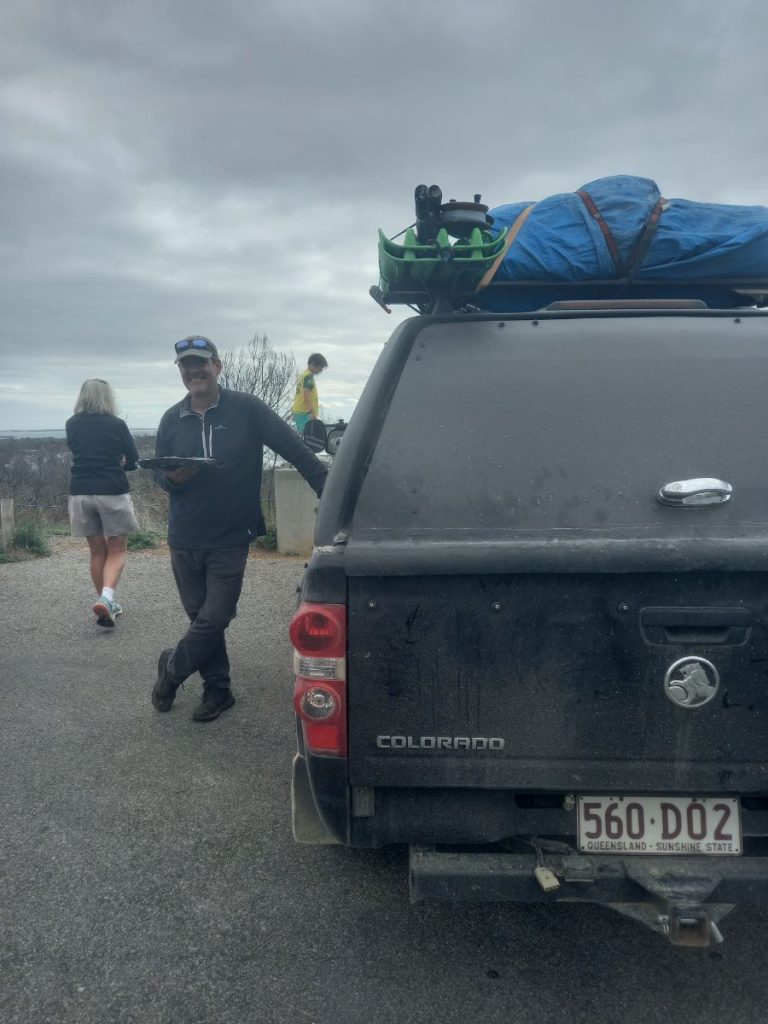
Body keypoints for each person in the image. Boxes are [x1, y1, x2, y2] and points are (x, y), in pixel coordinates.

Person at [151, 336, 328, 723]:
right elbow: (159, 478)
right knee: (200, 616)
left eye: (201, 362)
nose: (193, 370)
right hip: (184, 536)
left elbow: (296, 449)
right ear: (180, 372)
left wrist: (332, 495)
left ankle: (172, 671)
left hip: (230, 535)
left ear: (217, 366)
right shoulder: (170, 419)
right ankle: (218, 690)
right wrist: (174, 480)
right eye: (186, 365)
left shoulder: (246, 409)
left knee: (216, 616)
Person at [65, 378, 139, 627]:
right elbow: (133, 458)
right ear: (108, 397)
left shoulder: (71, 424)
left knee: (97, 550)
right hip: (111, 489)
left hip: (80, 492)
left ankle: (106, 603)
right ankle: (106, 599)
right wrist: (124, 465)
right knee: (117, 548)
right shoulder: (116, 424)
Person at [291, 353, 328, 434]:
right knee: (307, 435)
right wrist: (311, 411)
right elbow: (306, 393)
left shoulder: (304, 374)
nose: (320, 372)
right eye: (320, 369)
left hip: (299, 411)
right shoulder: (309, 377)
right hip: (304, 412)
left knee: (301, 434)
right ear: (314, 364)